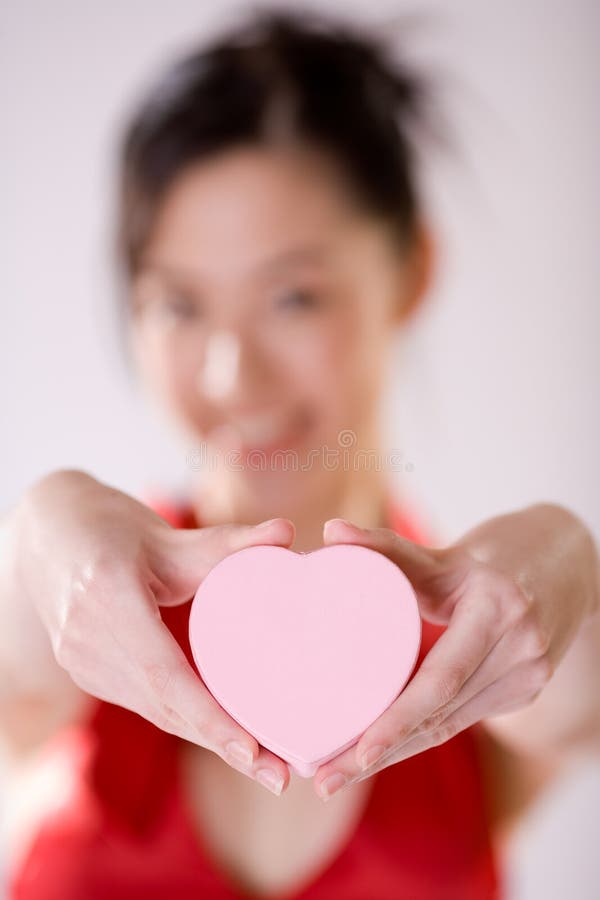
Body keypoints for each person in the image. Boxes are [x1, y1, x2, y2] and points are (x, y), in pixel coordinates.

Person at [1, 8, 599, 899]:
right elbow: (23, 648)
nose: (231, 371)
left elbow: (573, 686)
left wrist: (568, 553)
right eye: (179, 304)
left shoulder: (483, 636)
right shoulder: (93, 611)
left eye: (293, 298)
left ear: (412, 271)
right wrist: (45, 523)